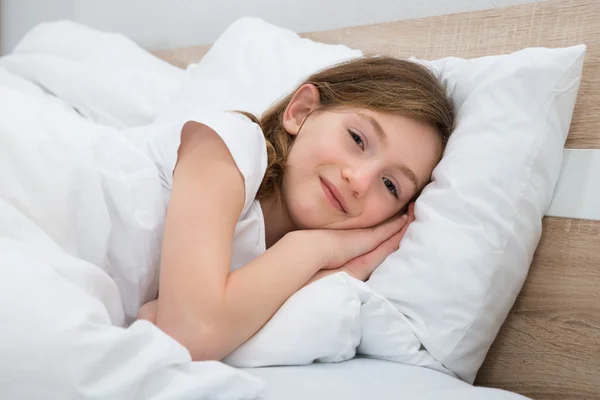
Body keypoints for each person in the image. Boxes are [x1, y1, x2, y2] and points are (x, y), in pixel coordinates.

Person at [136, 55, 455, 362]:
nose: (358, 180)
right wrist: (317, 247)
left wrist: (350, 269)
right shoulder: (231, 145)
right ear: (301, 112)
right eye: (357, 139)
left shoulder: (277, 264)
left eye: (390, 185)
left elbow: (155, 325)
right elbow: (187, 334)